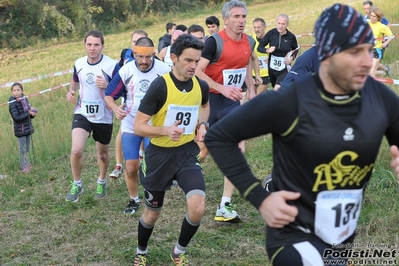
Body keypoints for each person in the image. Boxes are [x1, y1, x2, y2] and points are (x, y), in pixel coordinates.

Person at [205, 4, 399, 265]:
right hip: (292, 236)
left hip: (338, 241)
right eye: (354, 52)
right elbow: (219, 136)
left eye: (368, 50)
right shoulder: (292, 100)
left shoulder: (381, 100)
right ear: (327, 55)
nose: (367, 61)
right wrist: (259, 198)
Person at [132, 34, 209, 266]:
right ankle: (141, 251)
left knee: (197, 207)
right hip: (158, 156)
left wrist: (202, 124)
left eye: (197, 60)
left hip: (185, 153)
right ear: (173, 58)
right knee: (152, 213)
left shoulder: (200, 85)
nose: (194, 66)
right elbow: (138, 127)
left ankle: (178, 251)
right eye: (188, 60)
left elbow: (204, 106)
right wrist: (165, 131)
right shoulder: (160, 86)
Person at [195, 0, 256, 223]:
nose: (241, 21)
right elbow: (197, 72)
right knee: (201, 150)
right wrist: (221, 87)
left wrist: (250, 89)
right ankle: (174, 173)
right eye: (237, 17)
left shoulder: (249, 40)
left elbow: (246, 64)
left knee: (237, 147)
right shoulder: (213, 42)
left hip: (231, 103)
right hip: (209, 101)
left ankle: (224, 205)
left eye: (243, 17)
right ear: (226, 19)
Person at [105, 37, 170, 215]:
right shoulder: (126, 70)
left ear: (154, 54)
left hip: (153, 124)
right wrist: (115, 108)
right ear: (134, 54)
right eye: (140, 57)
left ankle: (152, 195)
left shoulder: (164, 70)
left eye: (148, 57)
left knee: (151, 164)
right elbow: (109, 95)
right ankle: (134, 199)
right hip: (131, 123)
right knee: (131, 166)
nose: (144, 61)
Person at [65, 30, 120, 202]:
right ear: (85, 46)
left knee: (102, 154)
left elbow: (120, 90)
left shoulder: (112, 65)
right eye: (89, 44)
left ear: (103, 46)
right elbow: (75, 78)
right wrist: (71, 91)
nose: (92, 48)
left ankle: (101, 181)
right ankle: (77, 184)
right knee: (76, 150)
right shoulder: (79, 63)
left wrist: (108, 84)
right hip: (82, 112)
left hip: (103, 115)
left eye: (96, 45)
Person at [109, 29, 149, 180]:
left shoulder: (152, 60)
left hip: (147, 107)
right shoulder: (125, 56)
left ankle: (143, 158)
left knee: (144, 132)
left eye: (141, 41)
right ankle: (119, 164)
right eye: (134, 42)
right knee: (123, 132)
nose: (137, 45)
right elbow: (116, 79)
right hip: (127, 102)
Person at [257, 14, 299, 90]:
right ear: (276, 23)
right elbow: (259, 47)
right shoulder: (271, 33)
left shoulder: (291, 37)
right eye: (279, 23)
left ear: (287, 24)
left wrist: (292, 57)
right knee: (276, 90)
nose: (280, 26)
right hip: (272, 69)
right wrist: (267, 50)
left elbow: (296, 49)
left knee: (277, 90)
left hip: (284, 68)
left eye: (283, 24)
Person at [8, 82, 37, 172]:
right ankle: (23, 166)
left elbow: (28, 113)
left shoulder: (25, 99)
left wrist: (32, 114)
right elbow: (16, 118)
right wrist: (27, 113)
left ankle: (27, 163)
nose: (16, 92)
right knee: (22, 149)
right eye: (14, 90)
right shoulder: (12, 103)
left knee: (27, 148)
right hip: (20, 129)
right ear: (12, 92)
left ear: (22, 91)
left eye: (18, 90)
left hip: (28, 127)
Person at [363, 1, 392, 76]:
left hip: (377, 49)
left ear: (378, 18)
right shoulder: (367, 21)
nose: (371, 18)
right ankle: (383, 71)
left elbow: (391, 35)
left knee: (371, 72)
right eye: (371, 16)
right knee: (368, 70)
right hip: (368, 48)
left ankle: (376, 80)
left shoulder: (382, 26)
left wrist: (385, 42)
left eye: (374, 16)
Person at [252, 17, 271, 94]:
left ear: (264, 27)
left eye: (259, 27)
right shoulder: (251, 39)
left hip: (266, 74)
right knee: (250, 97)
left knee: (257, 96)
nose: (256, 30)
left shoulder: (271, 39)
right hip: (253, 73)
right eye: (255, 27)